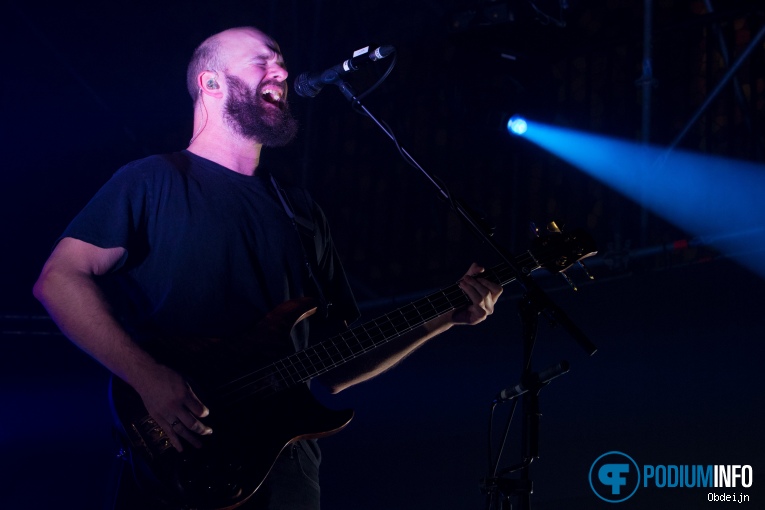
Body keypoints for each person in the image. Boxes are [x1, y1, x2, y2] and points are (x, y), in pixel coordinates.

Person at [33, 26, 503, 510]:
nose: (281, 69)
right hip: (178, 456)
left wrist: (447, 315)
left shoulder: (300, 209)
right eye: (262, 60)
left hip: (286, 472)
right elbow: (59, 279)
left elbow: (336, 364)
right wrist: (148, 378)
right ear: (211, 84)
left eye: (280, 59)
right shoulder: (152, 181)